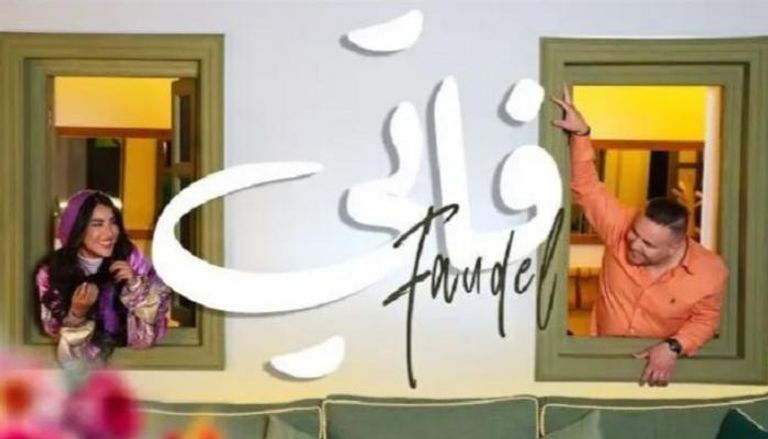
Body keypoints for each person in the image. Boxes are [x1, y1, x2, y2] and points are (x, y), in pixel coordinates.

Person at [551, 86, 729, 387]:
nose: (634, 243)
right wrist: (581, 133)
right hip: (602, 361)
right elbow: (587, 187)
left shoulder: (710, 270)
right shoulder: (620, 227)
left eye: (648, 244)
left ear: (676, 245)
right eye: (635, 233)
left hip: (659, 370)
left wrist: (674, 346)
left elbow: (706, 319)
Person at [35, 190, 172, 369]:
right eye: (97, 224)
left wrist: (135, 285)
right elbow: (55, 334)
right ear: (77, 228)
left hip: (134, 365)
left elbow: (151, 333)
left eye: (113, 222)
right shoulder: (51, 271)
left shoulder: (129, 257)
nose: (109, 233)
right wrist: (77, 313)